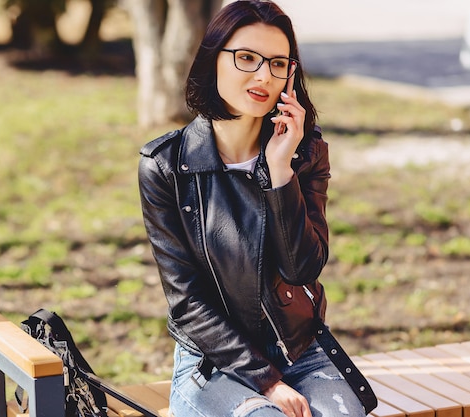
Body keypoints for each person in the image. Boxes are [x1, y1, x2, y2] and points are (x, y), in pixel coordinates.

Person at [138, 1, 367, 417]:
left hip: (299, 348)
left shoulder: (304, 154)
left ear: (291, 75)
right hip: (214, 362)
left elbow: (302, 270)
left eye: (278, 63)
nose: (264, 75)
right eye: (246, 58)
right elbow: (186, 301)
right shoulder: (166, 166)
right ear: (213, 60)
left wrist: (280, 170)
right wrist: (268, 383)